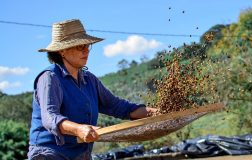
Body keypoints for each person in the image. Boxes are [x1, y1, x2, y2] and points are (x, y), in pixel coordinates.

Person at [28, 19, 157, 160]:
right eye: (80, 46)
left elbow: (117, 106)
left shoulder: (89, 80)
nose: (86, 50)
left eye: (87, 45)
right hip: (50, 154)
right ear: (62, 50)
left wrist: (155, 113)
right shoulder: (50, 78)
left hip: (80, 154)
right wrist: (79, 129)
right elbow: (50, 117)